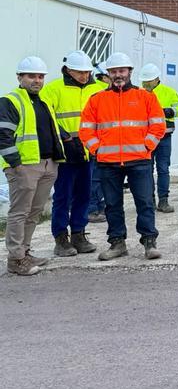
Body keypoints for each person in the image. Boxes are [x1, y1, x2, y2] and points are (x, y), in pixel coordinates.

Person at [79, 52, 167, 261]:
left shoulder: (145, 97)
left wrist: (147, 146)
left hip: (139, 160)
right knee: (112, 204)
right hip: (108, 162)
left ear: (129, 72)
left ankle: (149, 242)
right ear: (108, 74)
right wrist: (97, 149)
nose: (118, 75)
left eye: (122, 70)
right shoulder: (97, 100)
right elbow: (85, 130)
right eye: (114, 71)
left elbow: (158, 125)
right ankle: (117, 243)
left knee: (145, 201)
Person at [2, 56, 68, 276]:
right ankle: (15, 259)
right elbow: (3, 135)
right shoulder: (11, 101)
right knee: (19, 212)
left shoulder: (43, 102)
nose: (37, 80)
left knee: (35, 212)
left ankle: (25, 252)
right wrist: (16, 165)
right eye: (31, 76)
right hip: (25, 166)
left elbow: (49, 128)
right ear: (20, 77)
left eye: (40, 76)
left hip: (48, 164)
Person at [40, 50, 104, 258]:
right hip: (65, 152)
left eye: (87, 72)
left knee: (84, 195)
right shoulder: (53, 90)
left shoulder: (99, 88)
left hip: (88, 151)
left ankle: (78, 234)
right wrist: (62, 134)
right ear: (68, 70)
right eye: (79, 72)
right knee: (63, 196)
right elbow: (44, 116)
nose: (84, 76)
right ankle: (60, 239)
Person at [139, 63, 178, 213]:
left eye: (148, 81)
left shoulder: (168, 92)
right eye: (144, 81)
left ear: (157, 79)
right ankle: (149, 200)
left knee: (163, 169)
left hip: (164, 136)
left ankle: (163, 201)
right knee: (146, 169)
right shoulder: (139, 92)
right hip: (145, 137)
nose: (146, 84)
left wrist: (170, 111)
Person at [85, 62, 111, 223]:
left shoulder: (99, 90)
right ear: (103, 76)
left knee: (99, 178)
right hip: (98, 143)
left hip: (99, 143)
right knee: (95, 178)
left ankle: (98, 206)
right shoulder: (99, 91)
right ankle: (92, 208)